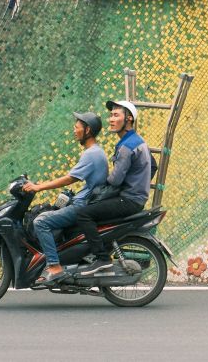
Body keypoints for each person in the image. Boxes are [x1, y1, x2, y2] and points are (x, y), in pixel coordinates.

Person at [24, 111, 108, 285]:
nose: (74, 130)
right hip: (86, 200)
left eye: (77, 127)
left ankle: (54, 267)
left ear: (88, 130)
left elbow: (70, 178)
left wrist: (39, 187)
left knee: (40, 222)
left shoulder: (92, 154)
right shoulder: (95, 152)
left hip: (83, 205)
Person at [75, 99, 153, 276]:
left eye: (116, 115)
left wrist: (103, 180)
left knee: (83, 214)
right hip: (135, 197)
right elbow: (152, 166)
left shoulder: (127, 146)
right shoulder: (136, 141)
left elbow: (116, 180)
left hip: (129, 199)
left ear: (129, 119)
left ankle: (101, 258)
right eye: (110, 115)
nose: (111, 119)